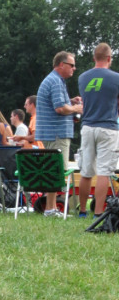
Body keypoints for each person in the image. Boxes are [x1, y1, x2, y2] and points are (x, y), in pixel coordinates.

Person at [35, 51, 82, 216]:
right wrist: (76, 108)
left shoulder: (55, 80)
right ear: (61, 64)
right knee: (56, 170)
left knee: (53, 170)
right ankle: (50, 208)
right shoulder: (55, 82)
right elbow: (60, 108)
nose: (74, 68)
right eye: (72, 65)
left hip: (51, 132)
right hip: (56, 133)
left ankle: (52, 207)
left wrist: (71, 102)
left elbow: (61, 104)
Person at [76, 43, 119, 218]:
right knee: (103, 172)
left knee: (86, 172)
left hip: (87, 127)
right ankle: (99, 212)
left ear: (94, 58)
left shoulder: (82, 78)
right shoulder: (116, 78)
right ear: (109, 58)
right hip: (108, 127)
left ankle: (82, 211)